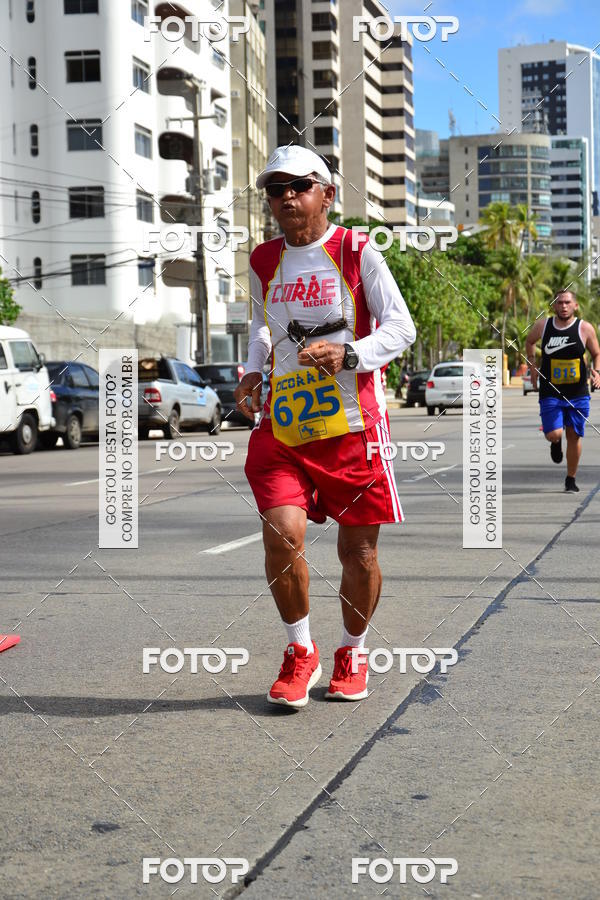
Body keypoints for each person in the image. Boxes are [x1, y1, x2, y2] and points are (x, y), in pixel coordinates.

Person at [234, 145, 416, 708]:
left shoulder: (357, 250)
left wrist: (351, 355)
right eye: (274, 188)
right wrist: (250, 372)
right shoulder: (263, 260)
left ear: (327, 194)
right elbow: (263, 327)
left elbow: (401, 327)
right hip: (284, 424)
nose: (285, 196)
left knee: (358, 552)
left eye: (298, 186)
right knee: (281, 535)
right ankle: (300, 651)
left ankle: (353, 651)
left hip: (353, 425)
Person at [525, 290, 600, 492]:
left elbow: (596, 353)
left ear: (575, 305)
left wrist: (597, 371)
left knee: (574, 435)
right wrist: (532, 366)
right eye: (559, 303)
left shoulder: (585, 328)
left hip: (578, 393)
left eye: (567, 302)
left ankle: (571, 479)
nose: (563, 306)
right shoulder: (544, 326)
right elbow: (529, 342)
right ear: (554, 306)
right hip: (551, 391)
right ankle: (555, 442)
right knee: (554, 434)